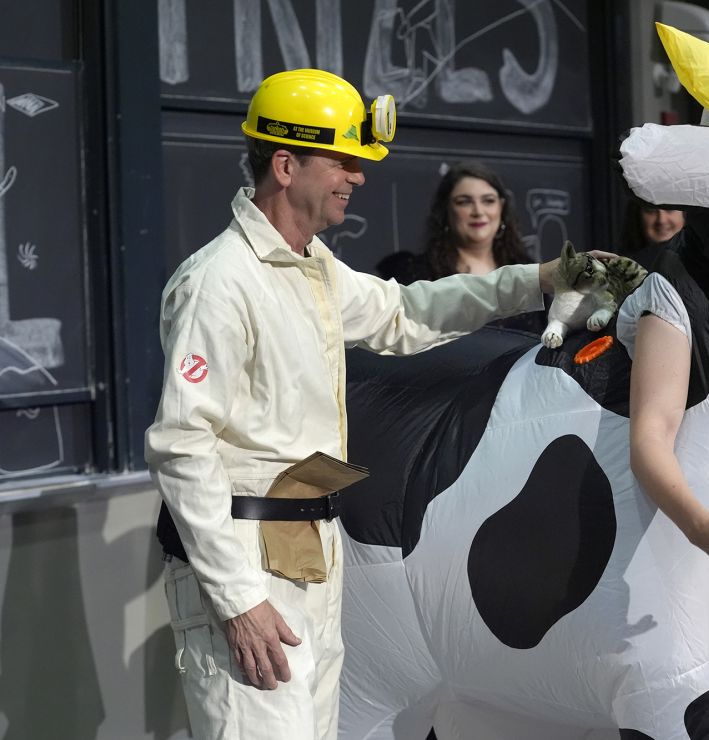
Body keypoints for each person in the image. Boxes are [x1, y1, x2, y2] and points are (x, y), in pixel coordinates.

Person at [144, 69, 578, 740]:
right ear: (285, 166)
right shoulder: (219, 283)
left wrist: (540, 280)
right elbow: (182, 445)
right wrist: (238, 602)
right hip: (253, 570)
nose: (359, 176)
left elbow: (404, 312)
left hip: (309, 552)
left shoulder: (311, 265)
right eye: (343, 160)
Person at [376, 160, 546, 334]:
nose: (478, 211)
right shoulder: (415, 274)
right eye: (464, 202)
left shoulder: (528, 271)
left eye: (488, 201)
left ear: (501, 208)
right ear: (446, 210)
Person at [617, 195, 685, 269]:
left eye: (669, 209)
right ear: (637, 215)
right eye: (651, 210)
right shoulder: (623, 268)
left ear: (685, 213)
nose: (661, 220)